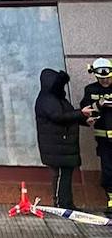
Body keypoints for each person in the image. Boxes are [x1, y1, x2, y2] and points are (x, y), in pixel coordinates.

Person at [34, 68, 95, 210]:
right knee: (61, 174)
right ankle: (61, 203)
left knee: (65, 174)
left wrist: (84, 120)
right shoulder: (48, 100)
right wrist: (81, 113)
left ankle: (66, 203)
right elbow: (58, 116)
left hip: (62, 145)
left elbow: (66, 116)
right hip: (57, 146)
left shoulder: (56, 99)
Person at [82, 57, 112, 216]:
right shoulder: (91, 90)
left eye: (107, 77)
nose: (105, 81)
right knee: (108, 170)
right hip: (104, 141)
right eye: (101, 78)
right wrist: (98, 105)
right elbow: (85, 109)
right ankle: (111, 200)